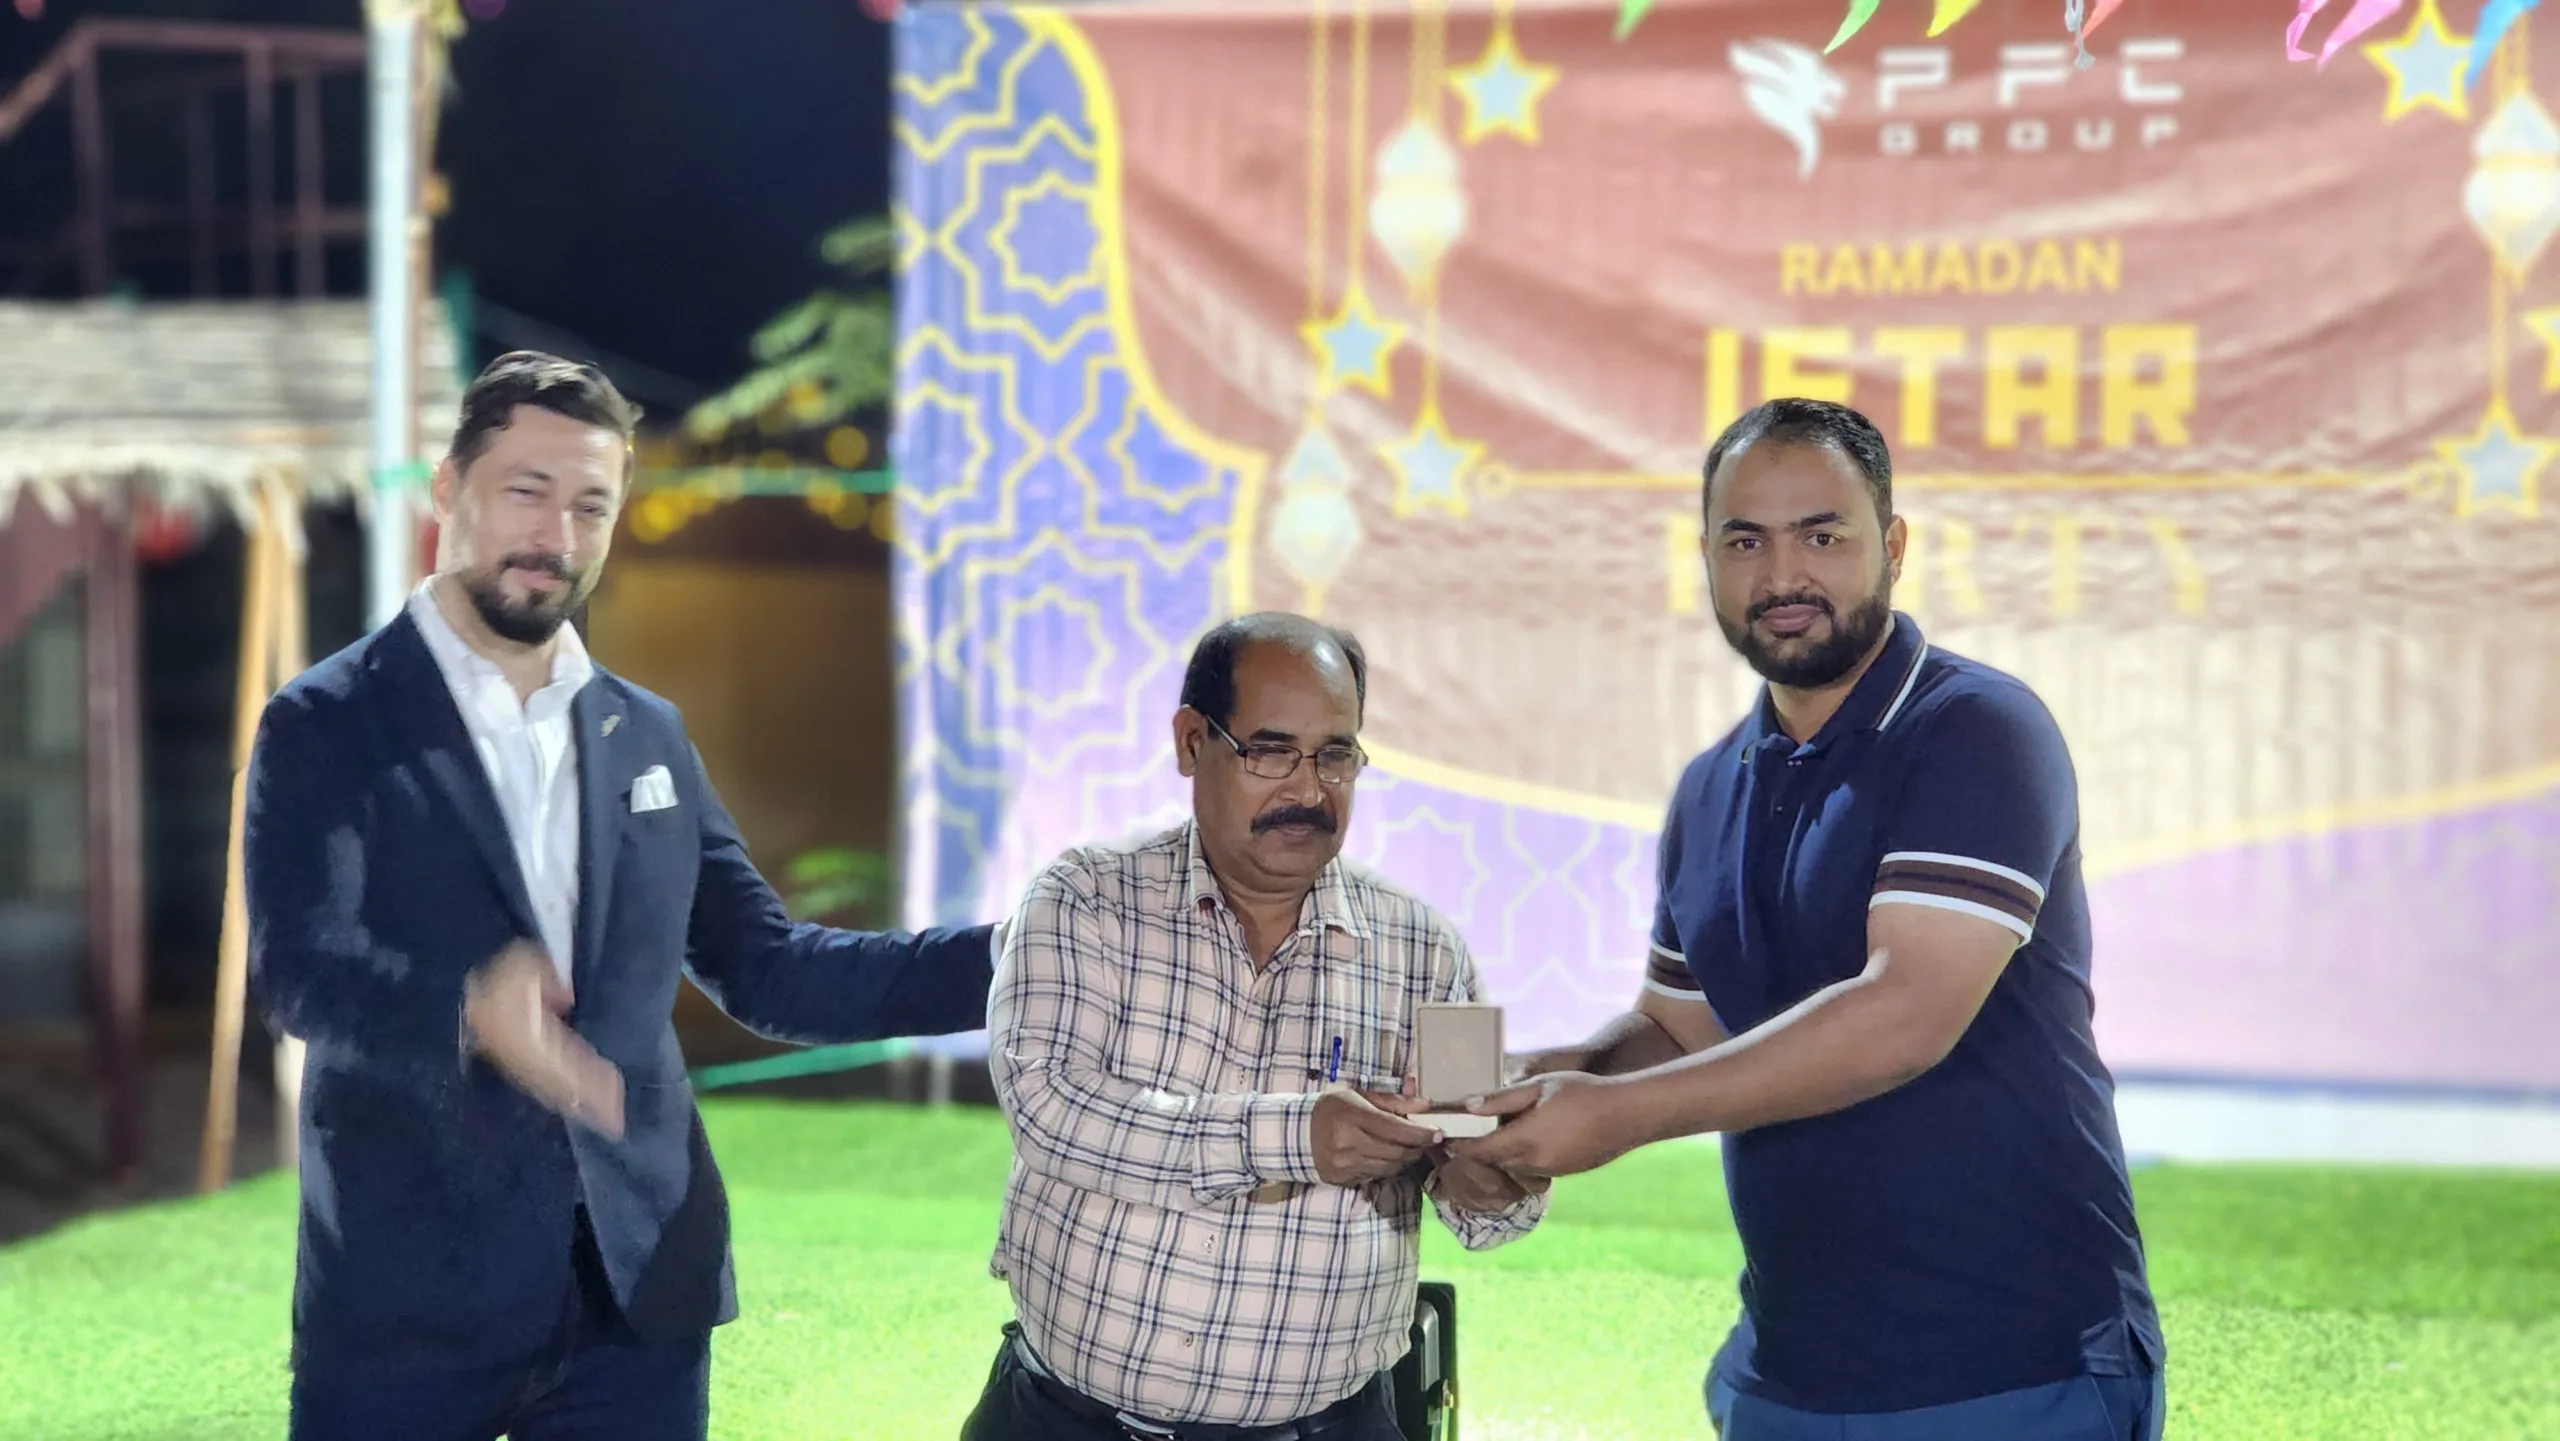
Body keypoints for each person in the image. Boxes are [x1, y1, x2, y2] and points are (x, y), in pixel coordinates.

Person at [246, 351, 999, 1441]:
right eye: (528, 490)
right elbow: (299, 971)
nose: (556, 533)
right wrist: (470, 1009)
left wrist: (1028, 954)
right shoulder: (325, 721)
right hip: (408, 1298)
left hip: (636, 1299)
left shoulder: (645, 731)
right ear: (448, 488)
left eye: (590, 504)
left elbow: (768, 967)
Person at [1455, 398, 2166, 1440]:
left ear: (1895, 546)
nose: (1783, 575)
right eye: (1745, 541)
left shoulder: (1975, 730)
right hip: (1783, 1378)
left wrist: (1616, 1116)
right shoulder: (1711, 786)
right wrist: (1526, 1092)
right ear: (1705, 559)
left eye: (1821, 536)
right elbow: (1680, 1029)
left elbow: (1904, 1013)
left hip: (2011, 1369)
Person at [959, 613, 1548, 1441]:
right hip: (1062, 1420)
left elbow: (1488, 1207)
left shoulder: (1428, 953)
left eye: (1335, 755)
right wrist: (1298, 1137)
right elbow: (1051, 1111)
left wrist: (1493, 1172)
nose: (1308, 790)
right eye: (1270, 751)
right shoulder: (1084, 898)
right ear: (1191, 740)